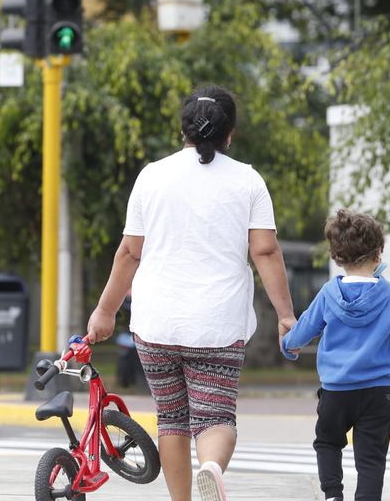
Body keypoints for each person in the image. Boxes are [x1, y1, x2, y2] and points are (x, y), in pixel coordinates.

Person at [84, 85, 296, 501]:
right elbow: (265, 251)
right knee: (216, 415)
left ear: (183, 130)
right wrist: (286, 314)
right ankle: (212, 469)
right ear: (229, 133)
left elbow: (129, 252)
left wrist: (105, 311)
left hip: (156, 323)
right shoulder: (248, 181)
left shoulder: (152, 176)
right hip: (218, 324)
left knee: (172, 420)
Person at [280, 209, 390, 501]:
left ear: (337, 257)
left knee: (327, 443)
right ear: (379, 252)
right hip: (379, 393)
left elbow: (305, 328)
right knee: (371, 458)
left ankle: (333, 495)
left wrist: (289, 344)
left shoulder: (328, 294)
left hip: (337, 392)